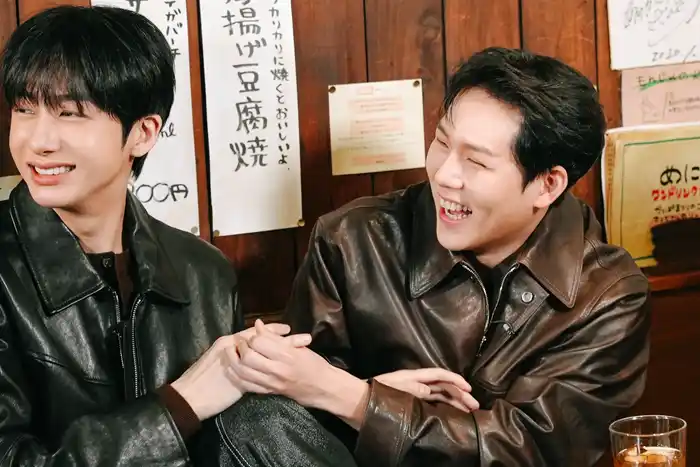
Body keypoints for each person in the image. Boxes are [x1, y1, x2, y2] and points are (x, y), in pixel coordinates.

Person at [229, 47, 652, 466]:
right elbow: (290, 429)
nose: (444, 175)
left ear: (547, 185)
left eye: (476, 162)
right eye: (442, 141)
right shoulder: (354, 242)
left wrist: (358, 398)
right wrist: (369, 392)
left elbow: (527, 449)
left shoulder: (607, 295)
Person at [0, 5, 357, 466]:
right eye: (24, 110)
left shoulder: (203, 274)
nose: (38, 141)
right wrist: (180, 404)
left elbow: (235, 439)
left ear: (143, 133)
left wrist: (362, 398)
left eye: (69, 114)